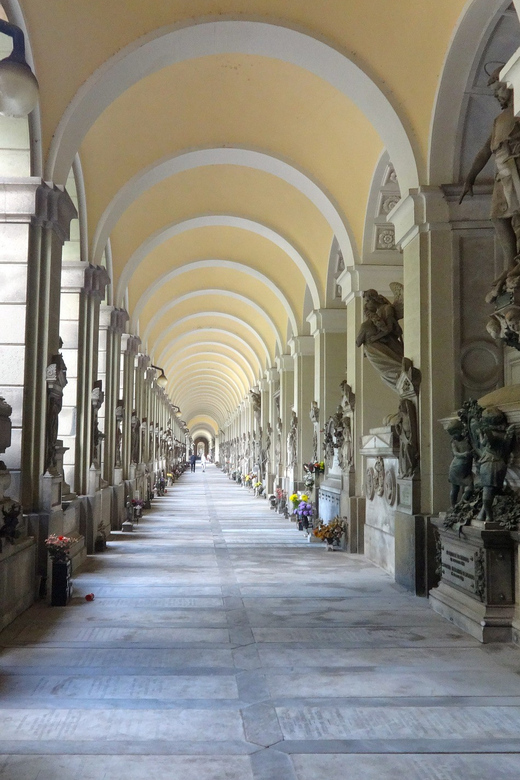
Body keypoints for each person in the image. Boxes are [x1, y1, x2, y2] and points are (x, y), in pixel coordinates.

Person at [460, 66, 520, 302]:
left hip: (516, 168)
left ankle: (515, 265)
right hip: (502, 173)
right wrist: (470, 177)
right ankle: (509, 263)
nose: (496, 96)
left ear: (509, 86)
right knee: (498, 217)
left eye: (498, 91)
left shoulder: (517, 111)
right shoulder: (499, 119)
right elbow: (486, 149)